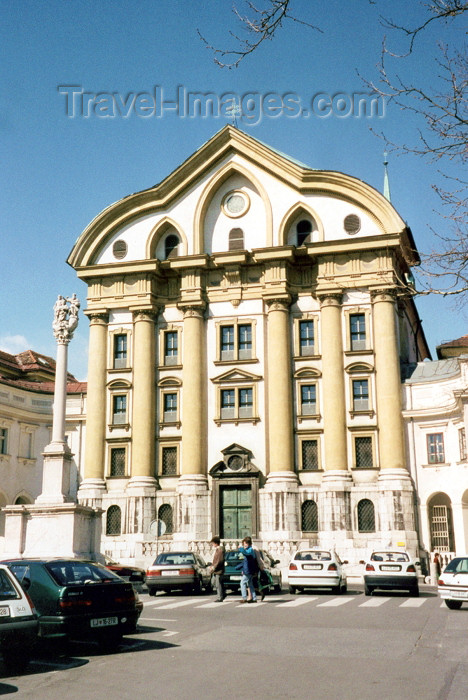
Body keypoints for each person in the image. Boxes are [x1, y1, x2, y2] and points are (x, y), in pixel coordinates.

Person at [238, 536, 258, 603]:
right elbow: (245, 562)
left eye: (245, 544)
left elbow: (246, 553)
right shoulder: (249, 550)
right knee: (250, 584)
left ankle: (244, 598)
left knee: (242, 583)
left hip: (248, 570)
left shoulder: (250, 550)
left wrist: (241, 549)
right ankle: (254, 598)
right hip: (249, 570)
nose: (244, 545)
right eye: (244, 544)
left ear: (249, 543)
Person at [209, 536, 225, 602]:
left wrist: (214, 567)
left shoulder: (220, 550)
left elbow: (219, 560)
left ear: (216, 543)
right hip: (216, 570)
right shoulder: (217, 550)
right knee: (213, 582)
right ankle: (222, 594)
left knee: (218, 584)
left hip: (218, 570)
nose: (212, 545)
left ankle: (220, 597)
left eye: (213, 543)